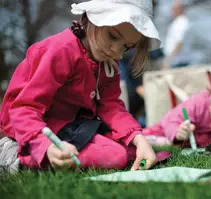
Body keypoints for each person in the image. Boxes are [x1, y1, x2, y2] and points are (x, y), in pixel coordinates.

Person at [0, 0, 162, 172]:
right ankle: (13, 155)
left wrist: (138, 138)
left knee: (131, 150)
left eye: (127, 47)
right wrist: (44, 146)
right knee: (115, 156)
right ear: (94, 17)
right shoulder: (61, 50)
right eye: (113, 36)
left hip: (74, 126)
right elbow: (25, 108)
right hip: (39, 128)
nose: (116, 51)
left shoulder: (106, 62)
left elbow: (111, 106)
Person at [162, 0, 190, 68]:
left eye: (173, 9)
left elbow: (179, 44)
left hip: (177, 63)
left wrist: (168, 61)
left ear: (180, 9)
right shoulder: (177, 22)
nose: (171, 11)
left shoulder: (181, 23)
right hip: (175, 62)